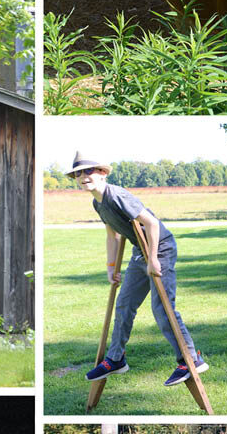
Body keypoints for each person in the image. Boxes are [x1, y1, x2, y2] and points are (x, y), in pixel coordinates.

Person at [67, 152, 208, 387]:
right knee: (124, 305)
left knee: (161, 307)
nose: (83, 177)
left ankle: (191, 359)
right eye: (78, 173)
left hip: (159, 248)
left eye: (88, 171)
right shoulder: (97, 203)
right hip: (138, 251)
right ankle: (115, 359)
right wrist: (111, 267)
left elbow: (151, 223)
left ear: (102, 173)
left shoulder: (118, 196)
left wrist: (153, 259)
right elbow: (112, 235)